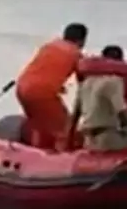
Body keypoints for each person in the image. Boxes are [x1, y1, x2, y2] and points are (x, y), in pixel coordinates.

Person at [16, 23, 87, 151]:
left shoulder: (49, 46)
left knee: (39, 124)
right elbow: (86, 85)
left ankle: (34, 149)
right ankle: (62, 156)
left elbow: (44, 69)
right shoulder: (76, 54)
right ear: (82, 40)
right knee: (64, 128)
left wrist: (57, 86)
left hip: (21, 87)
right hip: (41, 93)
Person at [75, 45, 127, 152]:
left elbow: (75, 116)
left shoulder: (86, 82)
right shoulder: (114, 81)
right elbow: (123, 112)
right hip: (108, 140)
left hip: (89, 141)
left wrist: (66, 144)